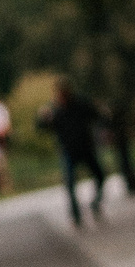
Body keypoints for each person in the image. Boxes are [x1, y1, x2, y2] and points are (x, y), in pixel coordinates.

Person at [41, 80, 109, 227]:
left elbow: (98, 115)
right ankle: (76, 215)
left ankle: (95, 203)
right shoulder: (56, 111)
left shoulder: (80, 105)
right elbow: (43, 126)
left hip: (85, 147)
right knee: (70, 184)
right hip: (68, 151)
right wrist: (44, 118)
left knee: (100, 176)